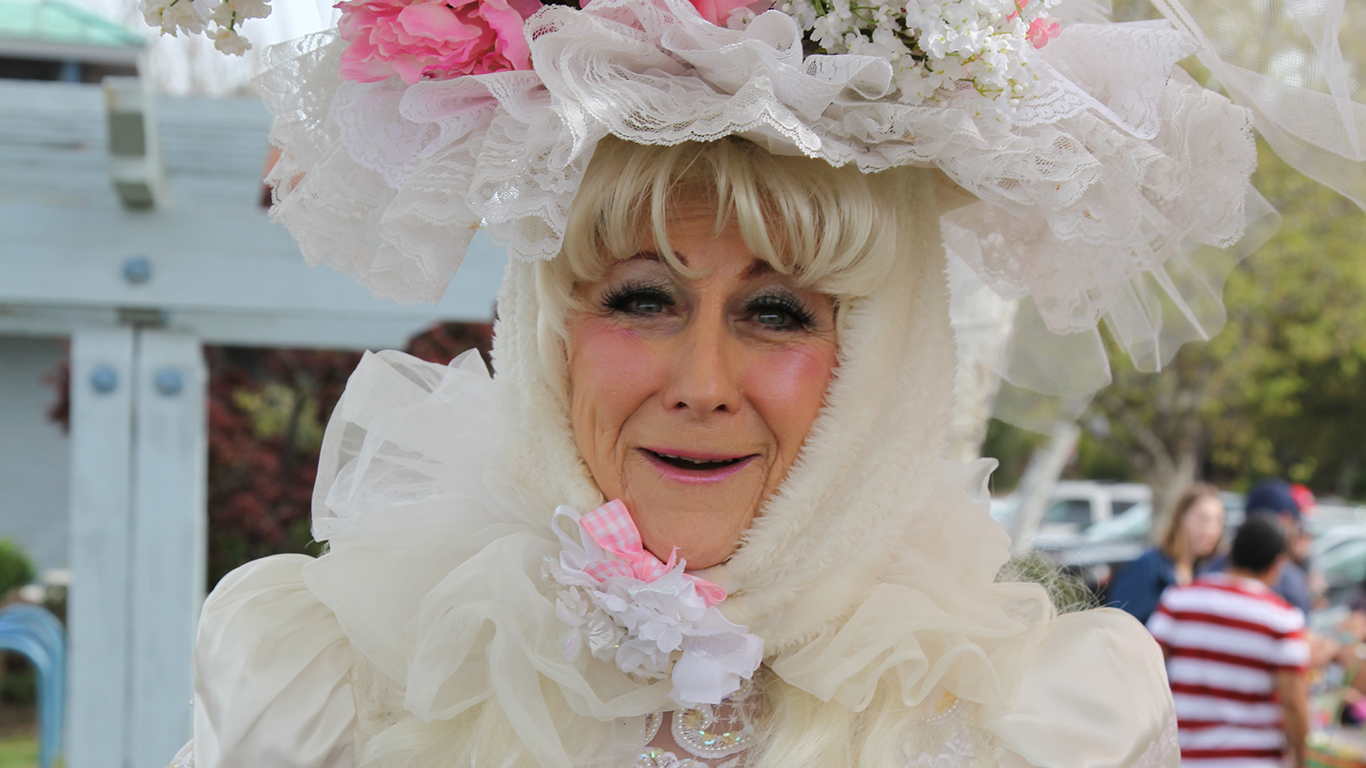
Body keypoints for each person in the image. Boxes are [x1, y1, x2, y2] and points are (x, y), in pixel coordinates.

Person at [143, 0, 1366, 764]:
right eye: (641, 298)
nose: (701, 379)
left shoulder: (1041, 722)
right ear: (548, 323)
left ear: (887, 355)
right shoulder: (335, 679)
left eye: (776, 311)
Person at [1147, 516, 1310, 768]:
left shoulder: (1178, 600)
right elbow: (1292, 703)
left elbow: (1146, 665)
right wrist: (1300, 757)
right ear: (1277, 565)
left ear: (1231, 553)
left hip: (1183, 756)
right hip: (1254, 760)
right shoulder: (1283, 620)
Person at [1108, 484, 1225, 625]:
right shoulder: (1147, 566)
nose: (1211, 529)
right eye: (1202, 518)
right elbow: (1119, 626)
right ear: (1180, 518)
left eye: (1218, 520)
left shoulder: (1208, 574)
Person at [1243, 480, 1315, 615]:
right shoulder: (1288, 580)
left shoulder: (1213, 568)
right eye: (1293, 521)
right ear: (1284, 520)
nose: (1296, 529)